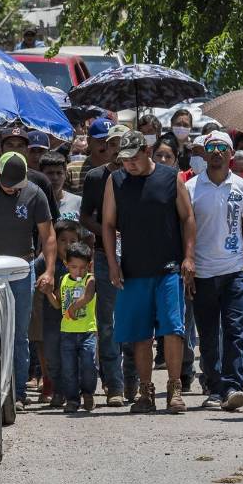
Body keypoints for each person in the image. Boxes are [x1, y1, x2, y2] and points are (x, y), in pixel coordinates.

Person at [102, 131, 197, 414]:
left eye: (133, 158)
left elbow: (188, 217)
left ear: (147, 150)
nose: (128, 164)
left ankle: (174, 387)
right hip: (133, 270)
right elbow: (107, 224)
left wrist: (189, 257)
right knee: (140, 334)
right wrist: (112, 263)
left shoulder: (170, 177)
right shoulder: (116, 181)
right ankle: (146, 390)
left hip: (168, 267)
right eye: (124, 160)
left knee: (172, 329)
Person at [0, 152, 57, 408]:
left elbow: (48, 236)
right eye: (6, 184)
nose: (11, 189)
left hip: (22, 268)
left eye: (16, 185)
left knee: (18, 333)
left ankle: (17, 392)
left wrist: (48, 270)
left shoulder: (35, 194)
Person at [184, 131, 243, 411]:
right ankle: (213, 387)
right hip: (203, 272)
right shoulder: (191, 188)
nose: (217, 152)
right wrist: (187, 264)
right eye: (211, 148)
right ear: (204, 153)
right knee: (208, 334)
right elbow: (184, 229)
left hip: (235, 269)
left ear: (231, 154)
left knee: (234, 330)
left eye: (223, 147)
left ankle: (233, 385)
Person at [79, 122, 134, 406]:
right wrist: (107, 231)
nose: (116, 149)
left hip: (138, 256)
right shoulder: (95, 177)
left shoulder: (140, 175)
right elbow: (84, 217)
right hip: (104, 255)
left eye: (122, 143)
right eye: (112, 144)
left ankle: (133, 381)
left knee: (136, 320)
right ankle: (114, 384)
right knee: (108, 322)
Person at [45, 242, 98, 413]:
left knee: (89, 364)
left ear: (89, 266)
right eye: (74, 267)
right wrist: (47, 293)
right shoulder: (63, 280)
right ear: (66, 265)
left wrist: (73, 308)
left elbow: (88, 296)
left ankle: (88, 392)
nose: (78, 271)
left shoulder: (90, 279)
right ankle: (72, 399)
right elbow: (57, 304)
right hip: (67, 332)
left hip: (87, 331)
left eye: (83, 267)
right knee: (68, 369)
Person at [40, 151, 81, 221]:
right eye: (50, 173)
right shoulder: (34, 202)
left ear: (65, 175)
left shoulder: (78, 202)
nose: (55, 178)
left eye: (59, 173)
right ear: (40, 174)